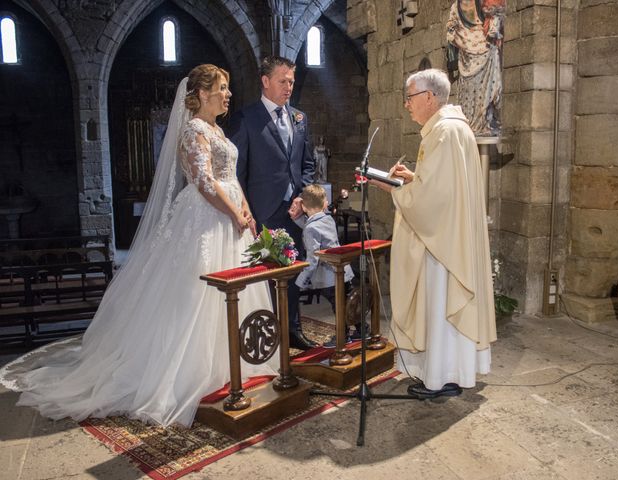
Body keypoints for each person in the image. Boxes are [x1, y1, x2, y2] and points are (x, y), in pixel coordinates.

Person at [0, 65, 278, 428]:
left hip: (231, 217)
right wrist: (233, 214)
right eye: (222, 88)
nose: (228, 94)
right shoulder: (194, 129)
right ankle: (191, 371)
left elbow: (230, 180)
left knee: (234, 291)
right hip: (206, 219)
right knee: (198, 294)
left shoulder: (217, 129)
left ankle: (232, 364)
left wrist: (247, 213)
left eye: (227, 87)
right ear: (203, 94)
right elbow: (205, 183)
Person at [370, 68, 497, 399]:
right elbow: (442, 185)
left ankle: (441, 378)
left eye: (410, 97)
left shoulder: (444, 131)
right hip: (449, 235)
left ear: (429, 97)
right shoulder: (451, 128)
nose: (407, 105)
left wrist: (391, 186)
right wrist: (414, 178)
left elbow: (434, 199)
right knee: (442, 310)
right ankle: (447, 373)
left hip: (443, 246)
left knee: (441, 306)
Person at [228, 55, 316, 350]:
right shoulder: (246, 118)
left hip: (294, 211)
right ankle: (268, 334)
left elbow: (307, 164)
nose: (288, 86)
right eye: (282, 81)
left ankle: (293, 329)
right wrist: (247, 213)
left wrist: (303, 197)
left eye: (291, 81)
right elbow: (237, 172)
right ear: (265, 82)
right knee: (266, 277)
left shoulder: (300, 118)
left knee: (293, 273)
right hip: (262, 211)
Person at [289, 185, 362, 347]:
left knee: (338, 306)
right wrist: (298, 220)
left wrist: (301, 281)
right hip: (343, 270)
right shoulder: (328, 219)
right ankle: (362, 329)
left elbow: (313, 258)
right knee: (349, 302)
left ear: (304, 207)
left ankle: (342, 336)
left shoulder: (311, 228)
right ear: (324, 204)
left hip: (328, 277)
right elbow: (313, 227)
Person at [446, 0, 504, 136]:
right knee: (468, 92)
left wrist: (493, 27)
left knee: (486, 91)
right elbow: (452, 26)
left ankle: (485, 123)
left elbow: (495, 16)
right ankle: (470, 125)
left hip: (486, 50)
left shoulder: (483, 3)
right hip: (466, 54)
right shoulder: (455, 7)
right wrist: (451, 31)